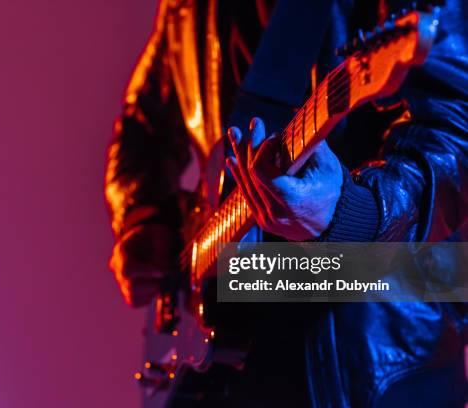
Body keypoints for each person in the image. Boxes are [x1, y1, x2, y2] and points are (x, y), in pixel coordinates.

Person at [105, 0, 467, 405]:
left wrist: (353, 212)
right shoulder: (183, 8)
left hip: (370, 355)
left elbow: (459, 128)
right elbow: (143, 126)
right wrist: (143, 215)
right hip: (225, 349)